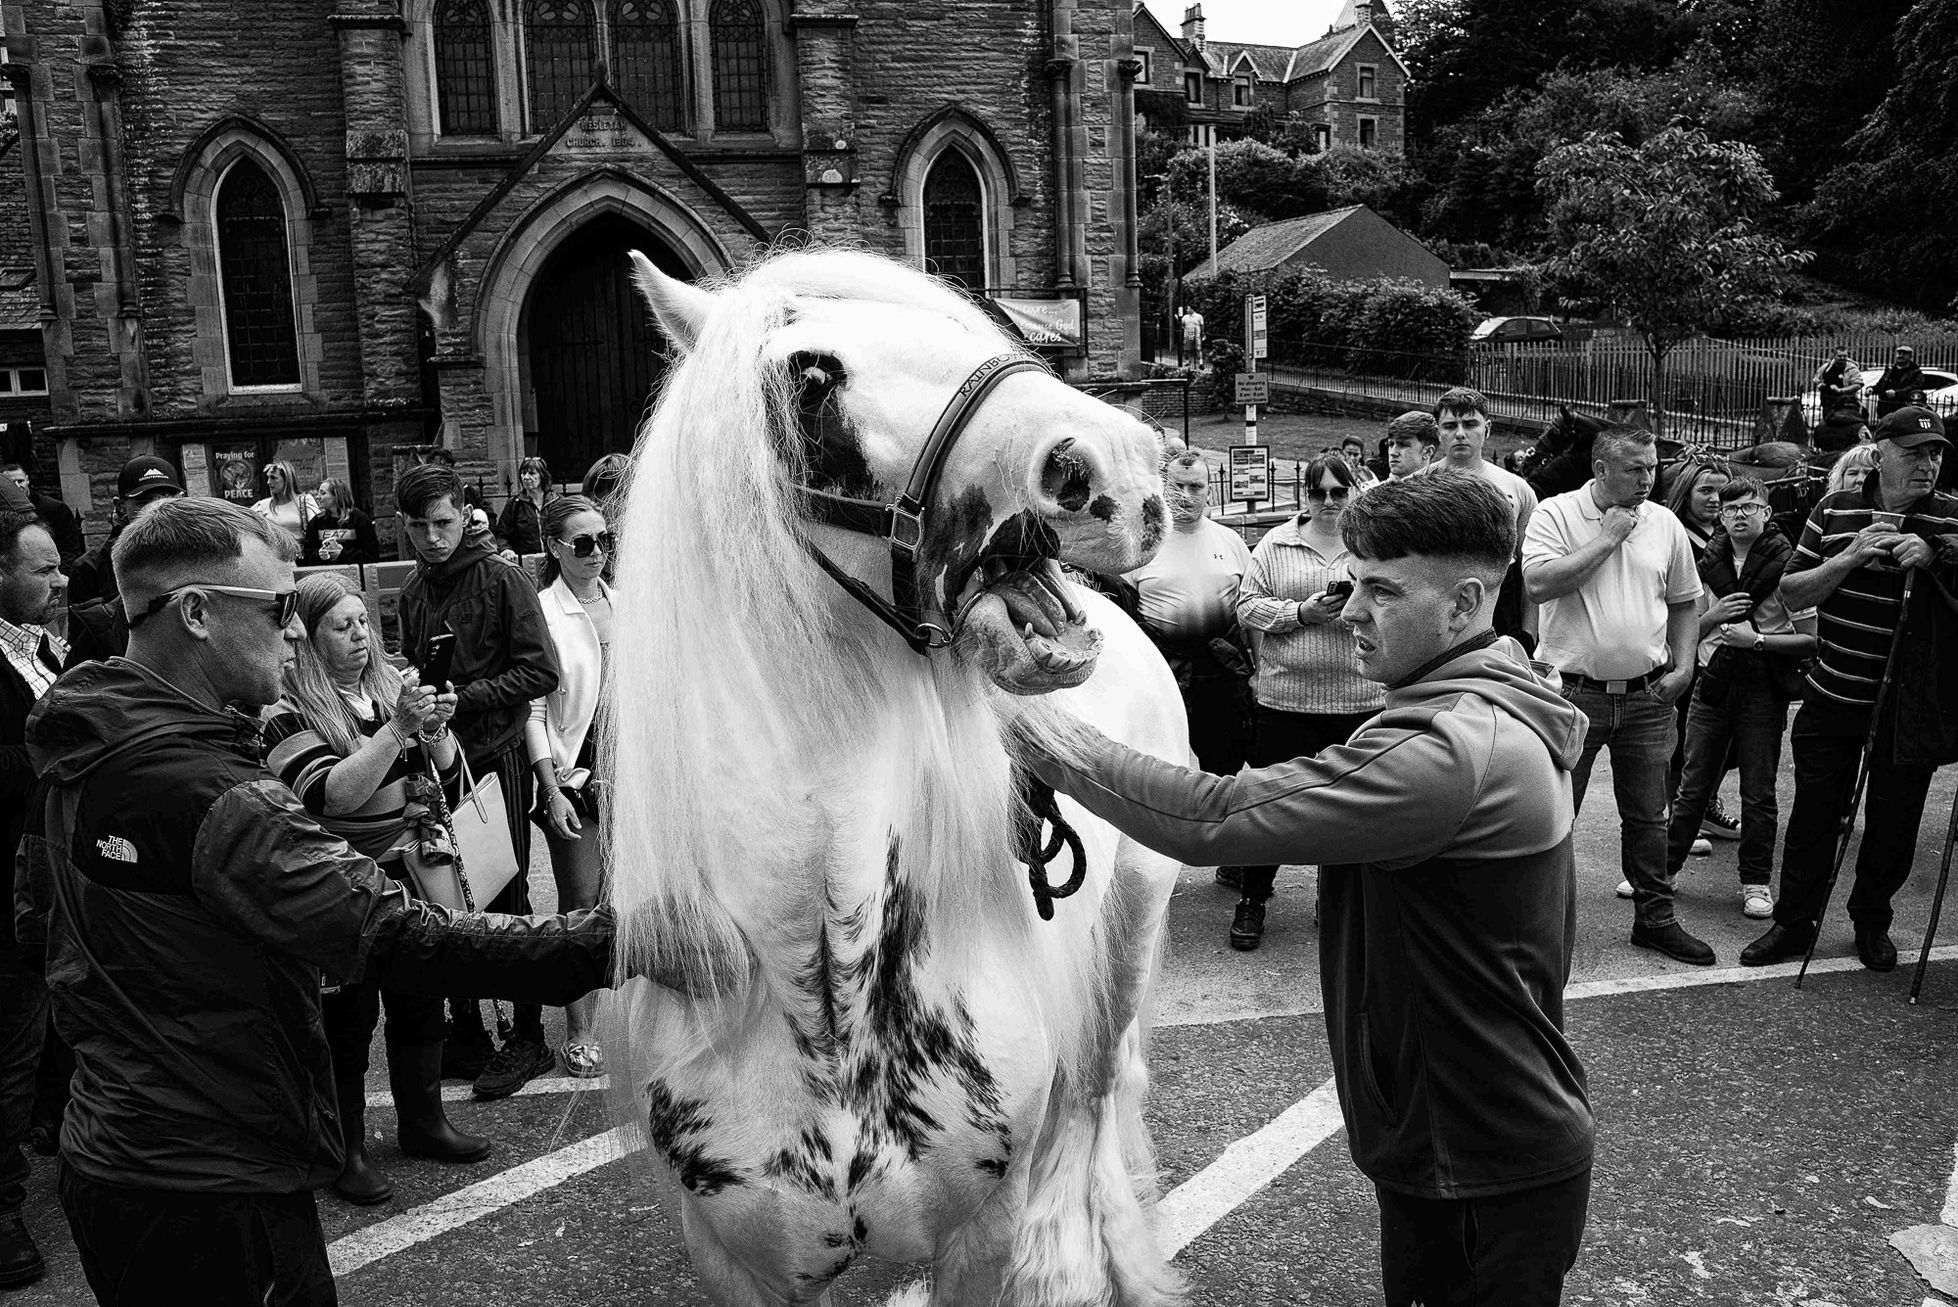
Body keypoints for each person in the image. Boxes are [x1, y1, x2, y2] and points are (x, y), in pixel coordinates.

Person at [12, 496, 621, 1305]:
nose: (295, 632)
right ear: (194, 613)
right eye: (277, 610)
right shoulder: (214, 793)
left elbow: (36, 927)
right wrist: (619, 941)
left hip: (112, 1155)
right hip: (217, 1184)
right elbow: (398, 937)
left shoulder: (81, 741)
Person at [1020, 471, 1593, 1307]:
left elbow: (1212, 816)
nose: (1351, 610)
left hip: (1474, 1156)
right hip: (1482, 1137)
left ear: (1466, 602)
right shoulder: (1488, 696)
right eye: (1354, 582)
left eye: (1382, 591)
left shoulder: (1447, 750)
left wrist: (1035, 728)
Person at [262, 574, 490, 1207]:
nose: (361, 636)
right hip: (340, 879)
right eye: (343, 626)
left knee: (421, 997)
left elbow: (447, 775)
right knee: (348, 1019)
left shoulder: (390, 688)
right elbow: (331, 795)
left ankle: (424, 1122)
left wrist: (435, 728)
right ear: (310, 638)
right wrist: (397, 728)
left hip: (414, 868)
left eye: (364, 621)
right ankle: (346, 1151)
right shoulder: (285, 710)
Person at [1743, 407, 1958, 971]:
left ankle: (1871, 920)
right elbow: (1792, 592)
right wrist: (1850, 556)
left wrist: (1936, 556)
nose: (1928, 465)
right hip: (1832, 693)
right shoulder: (1834, 508)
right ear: (1879, 452)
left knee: (1894, 822)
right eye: (1913, 453)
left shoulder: (1951, 516)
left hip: (1906, 707)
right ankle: (1795, 923)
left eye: (1935, 454)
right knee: (1814, 817)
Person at [394, 462, 563, 1095]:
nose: (433, 537)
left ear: (464, 516)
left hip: (496, 758)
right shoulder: (414, 589)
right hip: (436, 759)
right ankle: (466, 1033)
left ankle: (528, 1037)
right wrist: (411, 688)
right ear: (405, 526)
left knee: (505, 892)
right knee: (445, 895)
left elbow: (541, 672)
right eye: (419, 527)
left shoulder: (503, 578)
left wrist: (464, 698)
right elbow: (415, 664)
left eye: (442, 523)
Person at [1523, 423, 1715, 965]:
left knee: (1650, 816)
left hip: (1648, 696)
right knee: (1555, 814)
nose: (1648, 479)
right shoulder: (1555, 513)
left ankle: (1655, 919)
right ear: (1601, 469)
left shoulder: (1665, 522)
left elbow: (1684, 602)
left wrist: (1684, 667)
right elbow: (1538, 584)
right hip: (1571, 695)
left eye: (1653, 467)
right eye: (1635, 469)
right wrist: (1608, 537)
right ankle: (1539, 928)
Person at [1230, 453, 1386, 951]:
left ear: (1353, 492)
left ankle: (1335, 899)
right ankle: (1253, 897)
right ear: (1305, 495)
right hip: (1288, 699)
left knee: (1350, 811)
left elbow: (1396, 600)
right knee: (1271, 804)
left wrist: (1356, 607)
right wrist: (1300, 612)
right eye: (1318, 493)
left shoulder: (1371, 545)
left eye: (1339, 492)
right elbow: (1247, 606)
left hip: (1359, 699)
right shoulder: (1276, 543)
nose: (1329, 502)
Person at [1664, 477, 1816, 922]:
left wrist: (1757, 641)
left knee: (1758, 791)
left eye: (1749, 507)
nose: (1739, 516)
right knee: (1693, 787)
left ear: (1767, 513)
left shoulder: (1788, 568)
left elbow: (1810, 639)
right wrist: (1715, 615)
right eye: (1730, 509)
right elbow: (1686, 629)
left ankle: (1755, 881)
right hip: (1712, 686)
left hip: (1762, 691)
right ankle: (1664, 871)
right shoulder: (1707, 564)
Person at [525, 496, 619, 1078]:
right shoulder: (542, 611)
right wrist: (550, 787)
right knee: (579, 903)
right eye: (582, 542)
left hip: (628, 775)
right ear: (555, 548)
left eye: (604, 539)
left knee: (621, 900)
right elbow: (533, 710)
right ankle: (579, 1030)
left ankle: (619, 1017)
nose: (596, 551)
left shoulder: (626, 603)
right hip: (573, 775)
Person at [0, 511, 64, 1290]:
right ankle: (2, 1207)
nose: (60, 580)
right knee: (10, 1055)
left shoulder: (37, 644)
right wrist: (55, 751)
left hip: (51, 881)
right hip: (7, 894)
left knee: (56, 1038)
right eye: (43, 569)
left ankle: (63, 1146)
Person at [1124, 450, 1253, 779]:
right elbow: (1123, 616)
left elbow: (1251, 612)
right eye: (1177, 486)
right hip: (1163, 671)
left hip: (1221, 670)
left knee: (1222, 767)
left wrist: (1259, 671)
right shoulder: (1141, 546)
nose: (1186, 495)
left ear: (1210, 490)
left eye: (1195, 486)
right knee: (1163, 765)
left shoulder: (1231, 542)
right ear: (1163, 488)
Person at [1662, 460, 1741, 844]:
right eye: (1705, 490)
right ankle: (1678, 817)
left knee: (1724, 742)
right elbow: (1676, 615)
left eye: (1722, 492)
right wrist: (1715, 616)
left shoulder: (1733, 538)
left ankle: (1704, 806)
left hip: (1727, 656)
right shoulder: (1676, 538)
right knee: (1683, 745)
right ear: (1686, 493)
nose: (1715, 499)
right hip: (1686, 655)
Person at [1427, 388, 1538, 644]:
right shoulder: (1418, 486)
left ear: (1486, 428)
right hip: (1438, 605)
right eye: (1450, 426)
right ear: (1438, 431)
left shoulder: (1517, 489)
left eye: (1470, 424)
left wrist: (1529, 634)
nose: (1460, 433)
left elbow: (1529, 567)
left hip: (1501, 607)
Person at [65, 455, 183, 608]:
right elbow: (84, 622)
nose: (157, 509)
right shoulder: (89, 569)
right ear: (121, 506)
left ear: (181, 499)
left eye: (167, 500)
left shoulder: (199, 553)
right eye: (144, 502)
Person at [1, 466, 84, 569]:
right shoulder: (5, 512)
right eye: (12, 483)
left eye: (20, 481)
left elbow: (70, 548)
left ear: (27, 480)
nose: (17, 486)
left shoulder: (54, 508)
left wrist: (58, 572)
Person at [301, 478, 379, 567]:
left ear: (337, 496)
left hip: (353, 572)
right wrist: (318, 555)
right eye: (318, 493)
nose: (318, 497)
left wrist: (342, 554)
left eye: (323, 493)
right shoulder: (316, 522)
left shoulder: (360, 520)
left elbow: (372, 555)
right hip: (325, 573)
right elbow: (308, 554)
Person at [496, 457, 553, 557]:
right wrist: (506, 549)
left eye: (532, 473)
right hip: (526, 560)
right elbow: (501, 535)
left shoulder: (556, 501)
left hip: (554, 559)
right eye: (523, 473)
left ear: (542, 476)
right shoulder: (514, 504)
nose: (525, 477)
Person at [251, 460, 319, 543]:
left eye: (273, 478)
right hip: (274, 550)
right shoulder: (263, 506)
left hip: (300, 549)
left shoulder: (304, 502)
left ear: (287, 479)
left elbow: (318, 528)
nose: (268, 482)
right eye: (268, 478)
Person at [1869, 345, 1926, 419]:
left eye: (1904, 354)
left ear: (1910, 357)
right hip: (1885, 409)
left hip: (1903, 410)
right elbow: (1880, 386)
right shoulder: (1890, 371)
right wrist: (1871, 389)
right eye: (1899, 353)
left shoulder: (1915, 373)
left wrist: (1896, 393)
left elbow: (1914, 388)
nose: (1901, 356)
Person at [1383, 410, 1438, 481]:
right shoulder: (1374, 487)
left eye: (1403, 445)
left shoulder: (1445, 487)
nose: (1393, 452)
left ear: (1427, 452)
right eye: (1391, 444)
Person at [1813, 346, 1864, 422]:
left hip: (1846, 404)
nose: (1842, 358)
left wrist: (1840, 390)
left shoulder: (1852, 369)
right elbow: (1816, 379)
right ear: (1834, 356)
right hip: (1827, 404)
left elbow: (1858, 384)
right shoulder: (1826, 367)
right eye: (1840, 356)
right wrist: (1820, 385)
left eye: (1844, 356)